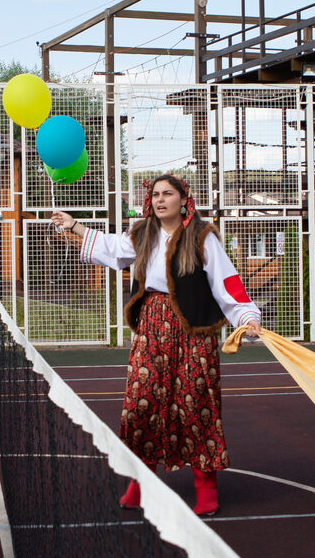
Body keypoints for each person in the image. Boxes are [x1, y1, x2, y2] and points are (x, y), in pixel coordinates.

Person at [50, 174, 260, 516]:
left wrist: (247, 318)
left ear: (183, 199)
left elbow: (227, 283)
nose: (160, 200)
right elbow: (109, 247)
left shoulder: (203, 238)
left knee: (197, 405)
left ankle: (206, 490)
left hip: (193, 332)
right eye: (156, 195)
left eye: (168, 194)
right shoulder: (142, 234)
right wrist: (73, 226)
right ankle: (140, 484)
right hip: (152, 326)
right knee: (142, 403)